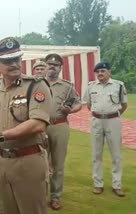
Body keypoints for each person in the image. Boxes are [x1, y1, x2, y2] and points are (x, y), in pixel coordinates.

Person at [0, 37, 52, 214]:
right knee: (6, 210)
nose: (14, 64)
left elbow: (37, 124)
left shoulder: (35, 86)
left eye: (17, 59)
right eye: (8, 61)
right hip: (0, 162)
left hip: (28, 161)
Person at [83, 62, 127, 197]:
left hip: (113, 121)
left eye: (103, 71)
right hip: (96, 121)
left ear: (109, 72)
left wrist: (111, 114)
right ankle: (98, 184)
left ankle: (117, 185)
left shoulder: (118, 85)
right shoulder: (91, 86)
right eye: (98, 72)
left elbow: (124, 105)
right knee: (96, 154)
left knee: (116, 155)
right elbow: (89, 104)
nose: (100, 74)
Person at [45, 53, 82, 210]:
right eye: (50, 64)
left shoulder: (67, 86)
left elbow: (79, 103)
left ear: (60, 68)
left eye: (56, 65)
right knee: (40, 164)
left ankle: (55, 197)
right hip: (40, 127)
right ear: (45, 66)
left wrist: (71, 110)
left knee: (58, 164)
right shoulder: (37, 84)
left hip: (60, 126)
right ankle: (40, 195)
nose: (52, 67)